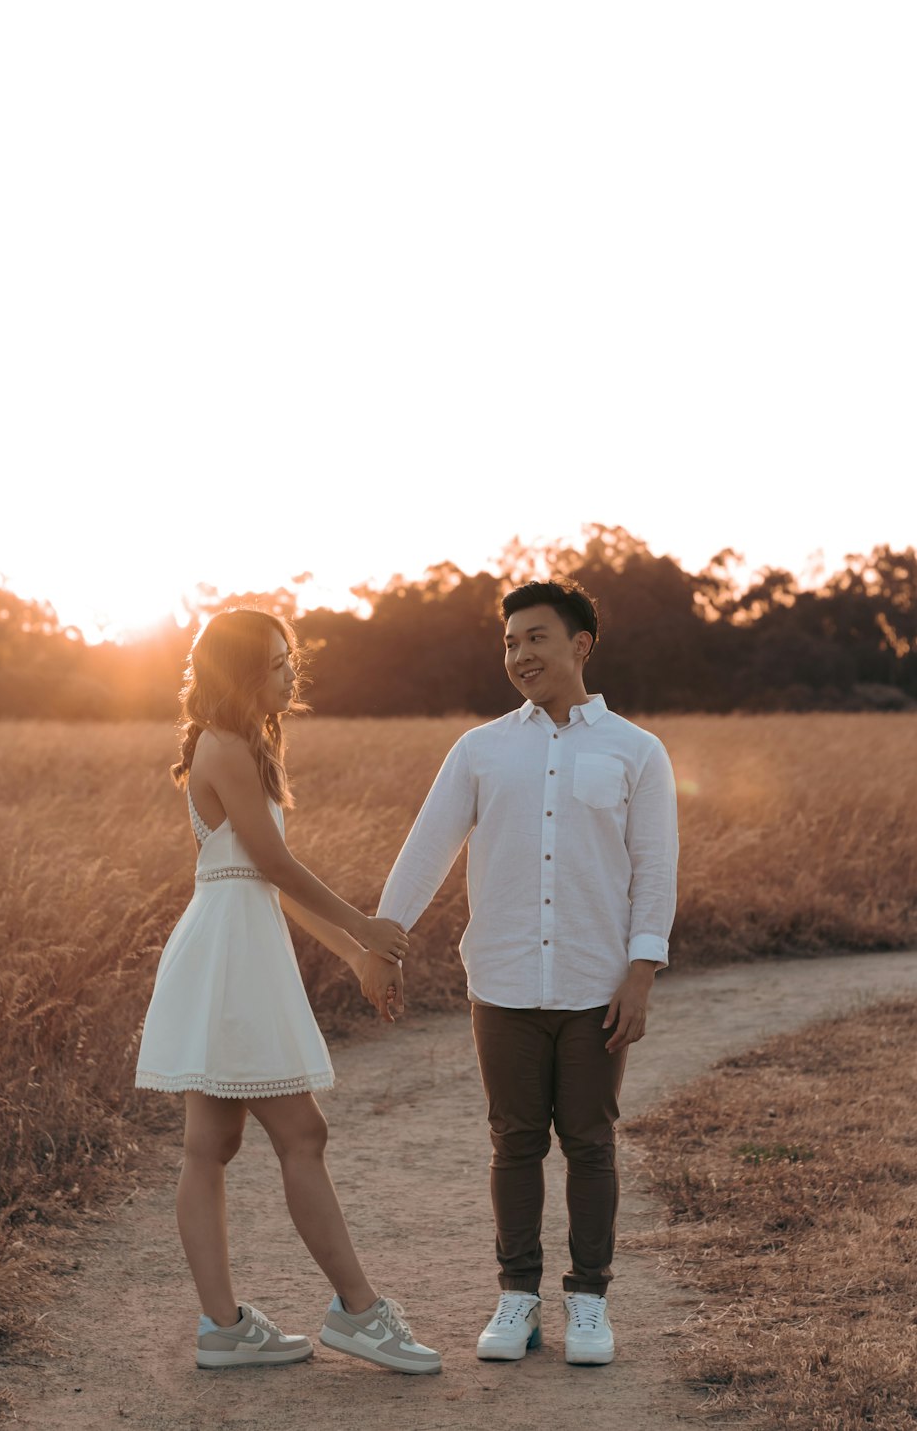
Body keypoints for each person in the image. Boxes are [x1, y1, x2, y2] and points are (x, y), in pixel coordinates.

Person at [373, 579, 678, 1366]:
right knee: (512, 1141)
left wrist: (642, 971)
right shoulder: (480, 750)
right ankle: (516, 1297)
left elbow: (655, 869)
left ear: (579, 645)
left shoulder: (636, 751)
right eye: (509, 643)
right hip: (502, 981)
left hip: (596, 984)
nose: (519, 656)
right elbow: (428, 848)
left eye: (535, 638)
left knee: (589, 1142)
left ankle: (588, 1302)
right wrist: (383, 938)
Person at [135, 607, 440, 1376]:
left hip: (237, 945)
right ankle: (358, 1312)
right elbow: (273, 867)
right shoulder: (225, 744)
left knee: (213, 1145)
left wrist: (357, 955)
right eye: (276, 661)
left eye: (290, 658)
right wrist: (368, 928)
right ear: (240, 670)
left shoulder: (246, 745)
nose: (290, 673)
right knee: (300, 1135)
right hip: (230, 959)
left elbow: (276, 887)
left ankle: (224, 1329)